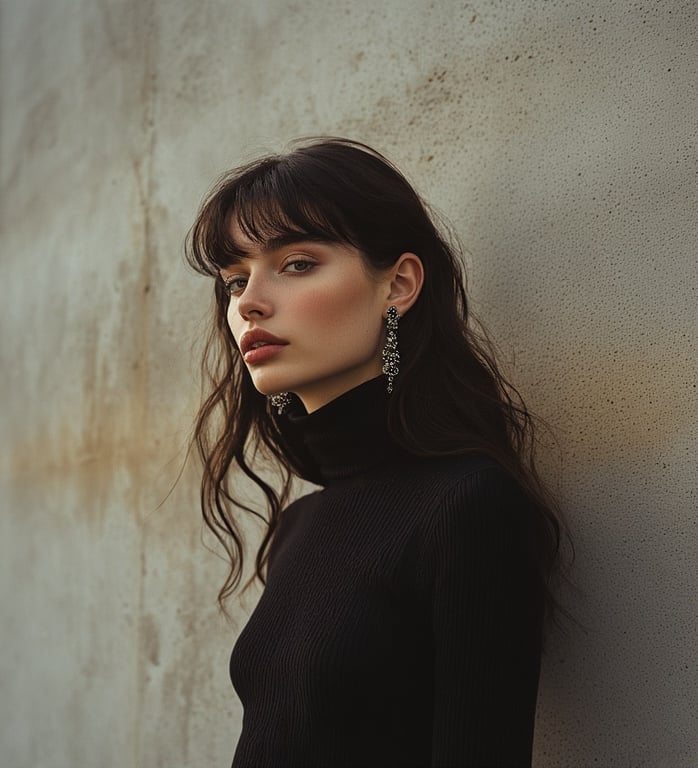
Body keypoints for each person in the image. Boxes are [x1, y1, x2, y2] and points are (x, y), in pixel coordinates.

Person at [186, 137, 567, 768]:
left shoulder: (467, 505)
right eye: (234, 279)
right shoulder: (298, 525)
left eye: (297, 263)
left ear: (399, 284)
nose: (248, 301)